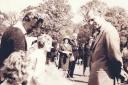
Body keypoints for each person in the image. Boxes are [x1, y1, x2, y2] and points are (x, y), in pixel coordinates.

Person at [88, 14, 128, 85]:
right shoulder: (100, 32)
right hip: (97, 78)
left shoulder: (109, 31)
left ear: (100, 15)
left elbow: (114, 55)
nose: (90, 23)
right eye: (89, 21)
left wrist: (119, 70)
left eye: (92, 19)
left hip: (105, 78)